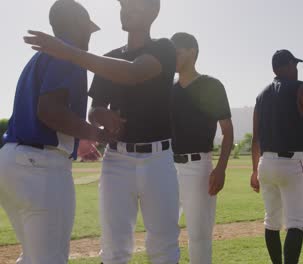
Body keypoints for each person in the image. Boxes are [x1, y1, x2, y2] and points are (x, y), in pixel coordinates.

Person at [24, 0, 181, 263]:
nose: (126, 9)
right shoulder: (109, 57)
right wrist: (100, 115)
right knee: (114, 249)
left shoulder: (164, 48)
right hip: (117, 161)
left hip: (159, 160)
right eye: (123, 5)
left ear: (154, 12)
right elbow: (94, 109)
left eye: (134, 5)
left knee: (164, 248)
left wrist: (67, 51)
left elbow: (133, 73)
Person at [0, 1, 108, 263]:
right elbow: (49, 111)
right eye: (88, 30)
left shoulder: (39, 57)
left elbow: (45, 113)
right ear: (77, 26)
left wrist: (78, 137)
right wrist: (97, 134)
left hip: (12, 161)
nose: (89, 37)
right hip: (41, 168)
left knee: (33, 257)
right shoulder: (68, 55)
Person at [251, 49, 303, 264]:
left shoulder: (261, 95)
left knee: (271, 222)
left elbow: (255, 139)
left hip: (265, 164)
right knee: (296, 223)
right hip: (290, 163)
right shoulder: (299, 88)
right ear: (283, 67)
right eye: (293, 65)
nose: (296, 69)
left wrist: (253, 171)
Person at [170, 32, 234, 264]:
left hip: (199, 168)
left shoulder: (211, 86)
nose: (172, 57)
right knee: (164, 234)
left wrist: (221, 169)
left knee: (199, 237)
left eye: (176, 52)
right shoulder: (169, 89)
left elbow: (227, 131)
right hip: (167, 167)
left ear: (192, 52)